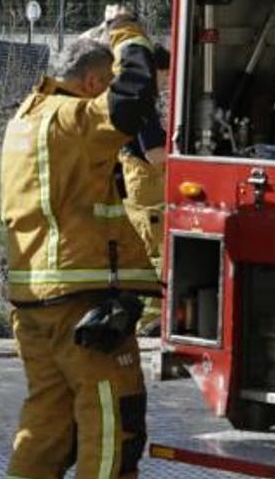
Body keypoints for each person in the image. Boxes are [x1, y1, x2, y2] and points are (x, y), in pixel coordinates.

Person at [0, 18, 161, 479]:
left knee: (46, 425)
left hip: (32, 301)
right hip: (82, 299)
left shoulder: (23, 120)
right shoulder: (75, 120)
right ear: (92, 82)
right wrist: (128, 35)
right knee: (111, 423)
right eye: (103, 85)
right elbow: (132, 99)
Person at [119, 44, 172, 334]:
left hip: (138, 183)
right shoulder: (144, 105)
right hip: (145, 185)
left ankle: (145, 317)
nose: (166, 84)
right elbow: (153, 153)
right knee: (157, 251)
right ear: (158, 72)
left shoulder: (134, 98)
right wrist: (181, 151)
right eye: (166, 77)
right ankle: (148, 321)